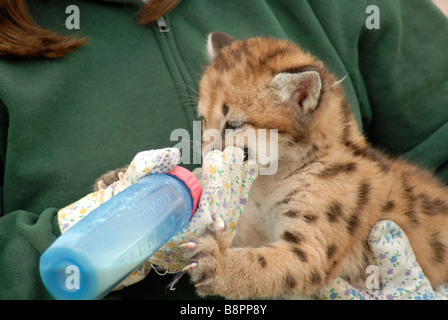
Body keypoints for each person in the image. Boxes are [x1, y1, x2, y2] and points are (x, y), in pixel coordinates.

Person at [0, 0, 447, 300]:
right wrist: (90, 223)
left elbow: (299, 266)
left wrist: (223, 269)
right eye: (206, 124)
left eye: (231, 126)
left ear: (302, 100)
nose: (210, 145)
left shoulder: (334, 180)